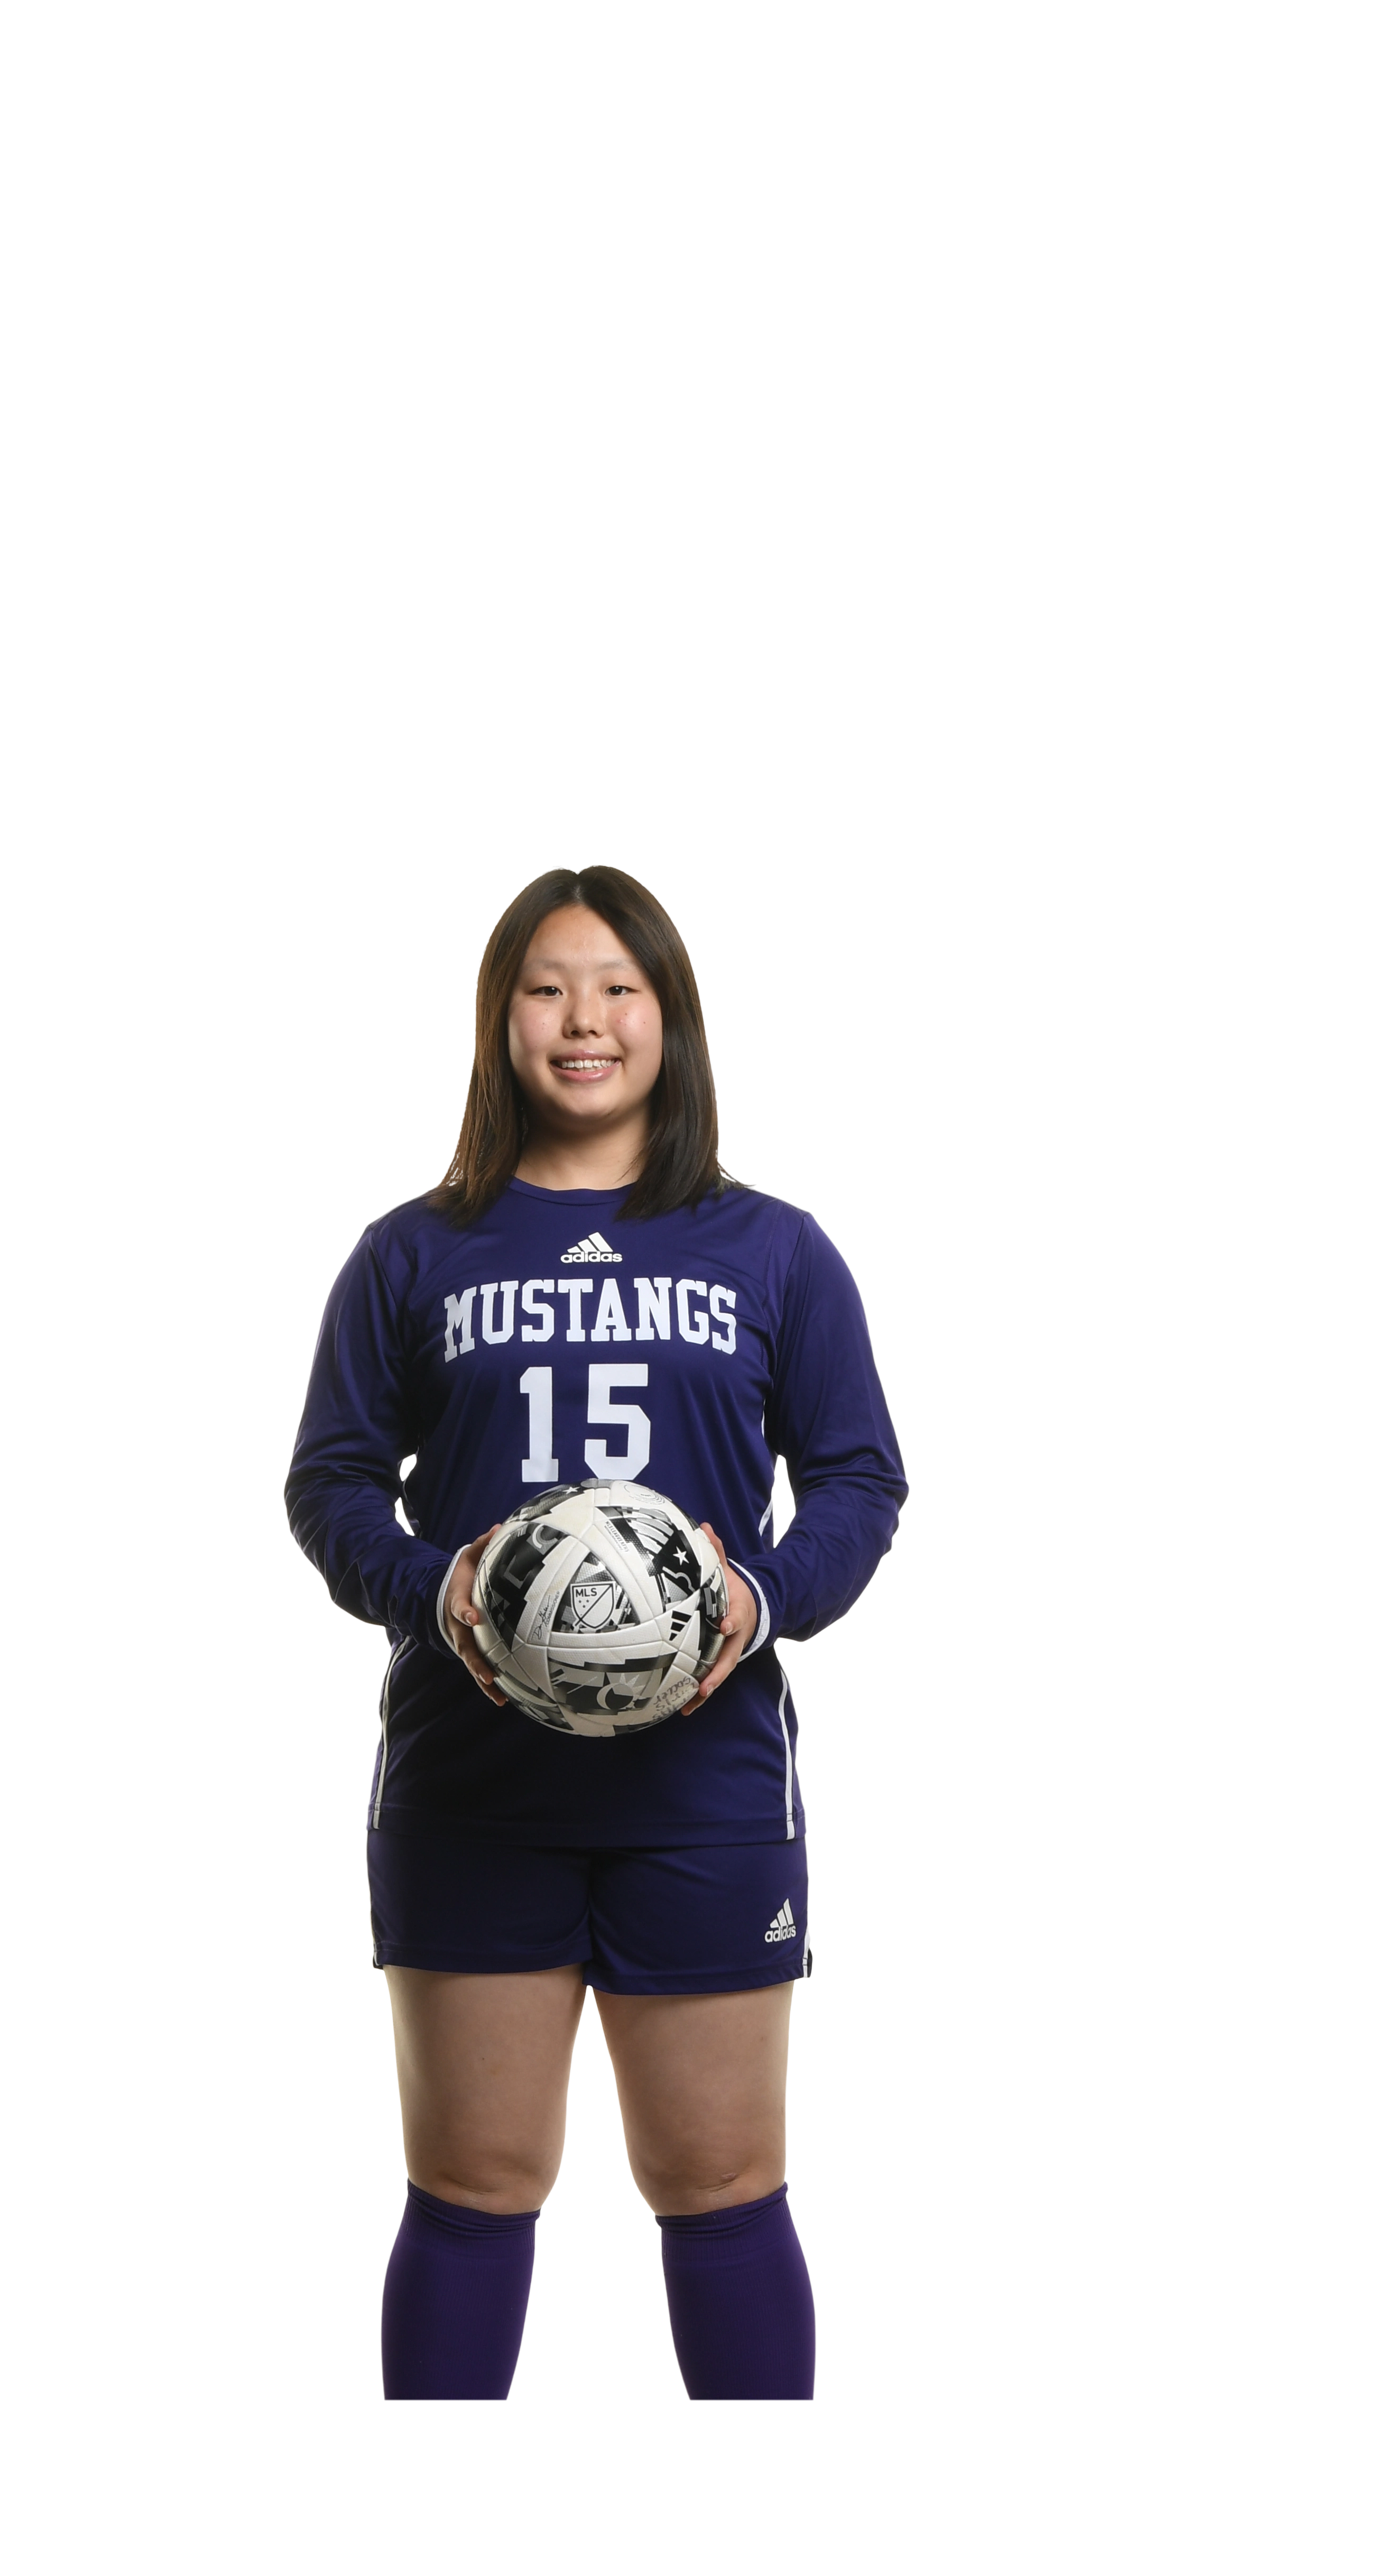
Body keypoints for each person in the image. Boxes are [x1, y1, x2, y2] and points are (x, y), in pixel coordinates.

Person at [284, 861, 908, 2444]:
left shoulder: (772, 1251)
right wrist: (436, 1587)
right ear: (497, 1020)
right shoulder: (413, 1252)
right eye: (547, 987)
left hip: (703, 1788)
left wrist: (758, 1595)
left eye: (621, 987)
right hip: (472, 1782)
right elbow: (332, 1480)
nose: (585, 1019)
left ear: (674, 1016)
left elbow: (859, 1479)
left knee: (721, 2180)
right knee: (473, 2180)